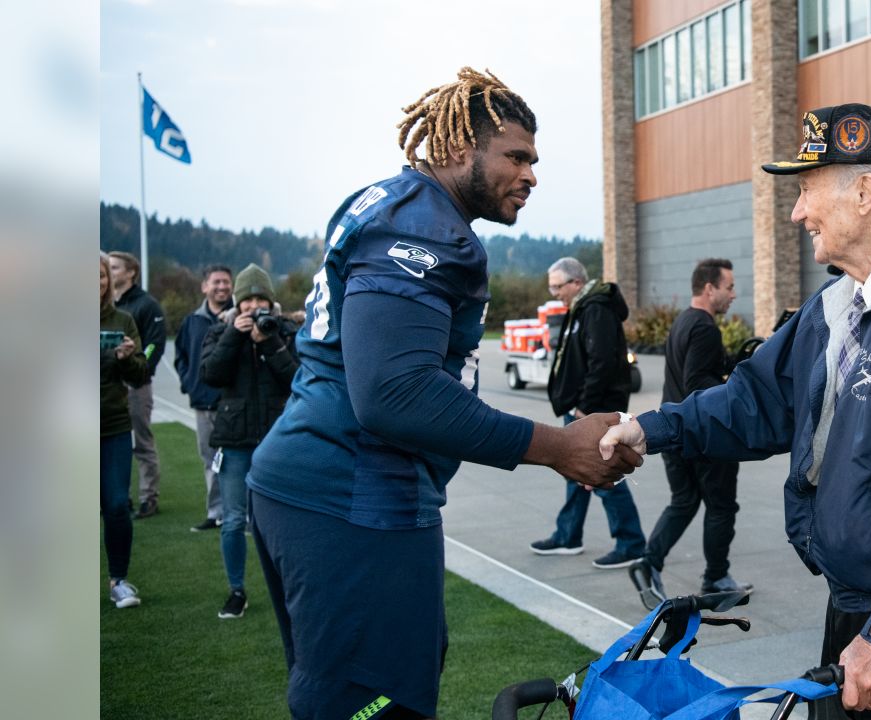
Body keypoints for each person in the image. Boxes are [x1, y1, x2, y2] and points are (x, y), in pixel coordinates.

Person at [245, 67, 642, 720]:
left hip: (325, 483)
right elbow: (393, 392)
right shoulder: (424, 227)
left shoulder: (391, 202)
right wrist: (558, 447)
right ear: (460, 150)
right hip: (353, 495)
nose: (532, 175)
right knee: (375, 704)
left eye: (534, 160)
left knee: (360, 689)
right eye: (516, 156)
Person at [601, 103, 871, 719]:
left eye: (805, 190)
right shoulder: (837, 303)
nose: (797, 212)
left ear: (866, 192)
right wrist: (650, 428)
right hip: (861, 602)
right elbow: (756, 400)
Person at [630, 258, 752, 608]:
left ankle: (648, 563)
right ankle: (716, 578)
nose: (733, 294)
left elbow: (693, 375)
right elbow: (699, 383)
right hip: (705, 438)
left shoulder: (683, 322)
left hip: (675, 432)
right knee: (721, 506)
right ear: (709, 288)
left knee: (684, 502)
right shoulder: (704, 328)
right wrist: (731, 388)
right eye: (729, 287)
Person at [530, 256, 646, 569]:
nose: (554, 293)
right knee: (573, 471)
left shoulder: (596, 308)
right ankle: (568, 535)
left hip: (593, 411)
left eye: (558, 286)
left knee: (602, 473)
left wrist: (584, 407)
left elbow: (603, 362)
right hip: (581, 408)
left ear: (577, 283)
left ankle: (631, 543)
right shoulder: (583, 307)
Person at [199, 264, 299, 620]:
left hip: (278, 439)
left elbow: (296, 379)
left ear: (271, 302)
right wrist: (234, 336)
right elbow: (211, 375)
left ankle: (289, 586)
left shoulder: (285, 330)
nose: (254, 306)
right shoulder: (219, 331)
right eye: (248, 299)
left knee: (282, 519)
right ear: (238, 302)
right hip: (236, 438)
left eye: (260, 298)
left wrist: (269, 342)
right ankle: (236, 590)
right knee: (232, 520)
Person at [100, 252, 148, 608]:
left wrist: (127, 358)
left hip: (113, 425)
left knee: (117, 504)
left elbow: (140, 376)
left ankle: (118, 580)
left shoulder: (123, 319)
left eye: (100, 277)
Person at [174, 264, 233, 532]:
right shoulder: (192, 322)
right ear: (204, 286)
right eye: (216, 282)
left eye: (226, 282)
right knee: (210, 460)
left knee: (237, 460)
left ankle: (239, 514)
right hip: (202, 403)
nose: (222, 287)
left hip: (233, 402)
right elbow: (181, 358)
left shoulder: (241, 315)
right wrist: (190, 385)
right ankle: (215, 513)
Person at [107, 250, 166, 519]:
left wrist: (142, 368)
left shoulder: (146, 305)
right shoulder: (105, 305)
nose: (110, 271)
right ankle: (117, 497)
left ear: (131, 272)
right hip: (106, 386)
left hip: (136, 385)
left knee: (142, 442)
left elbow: (154, 344)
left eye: (114, 267)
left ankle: (148, 497)